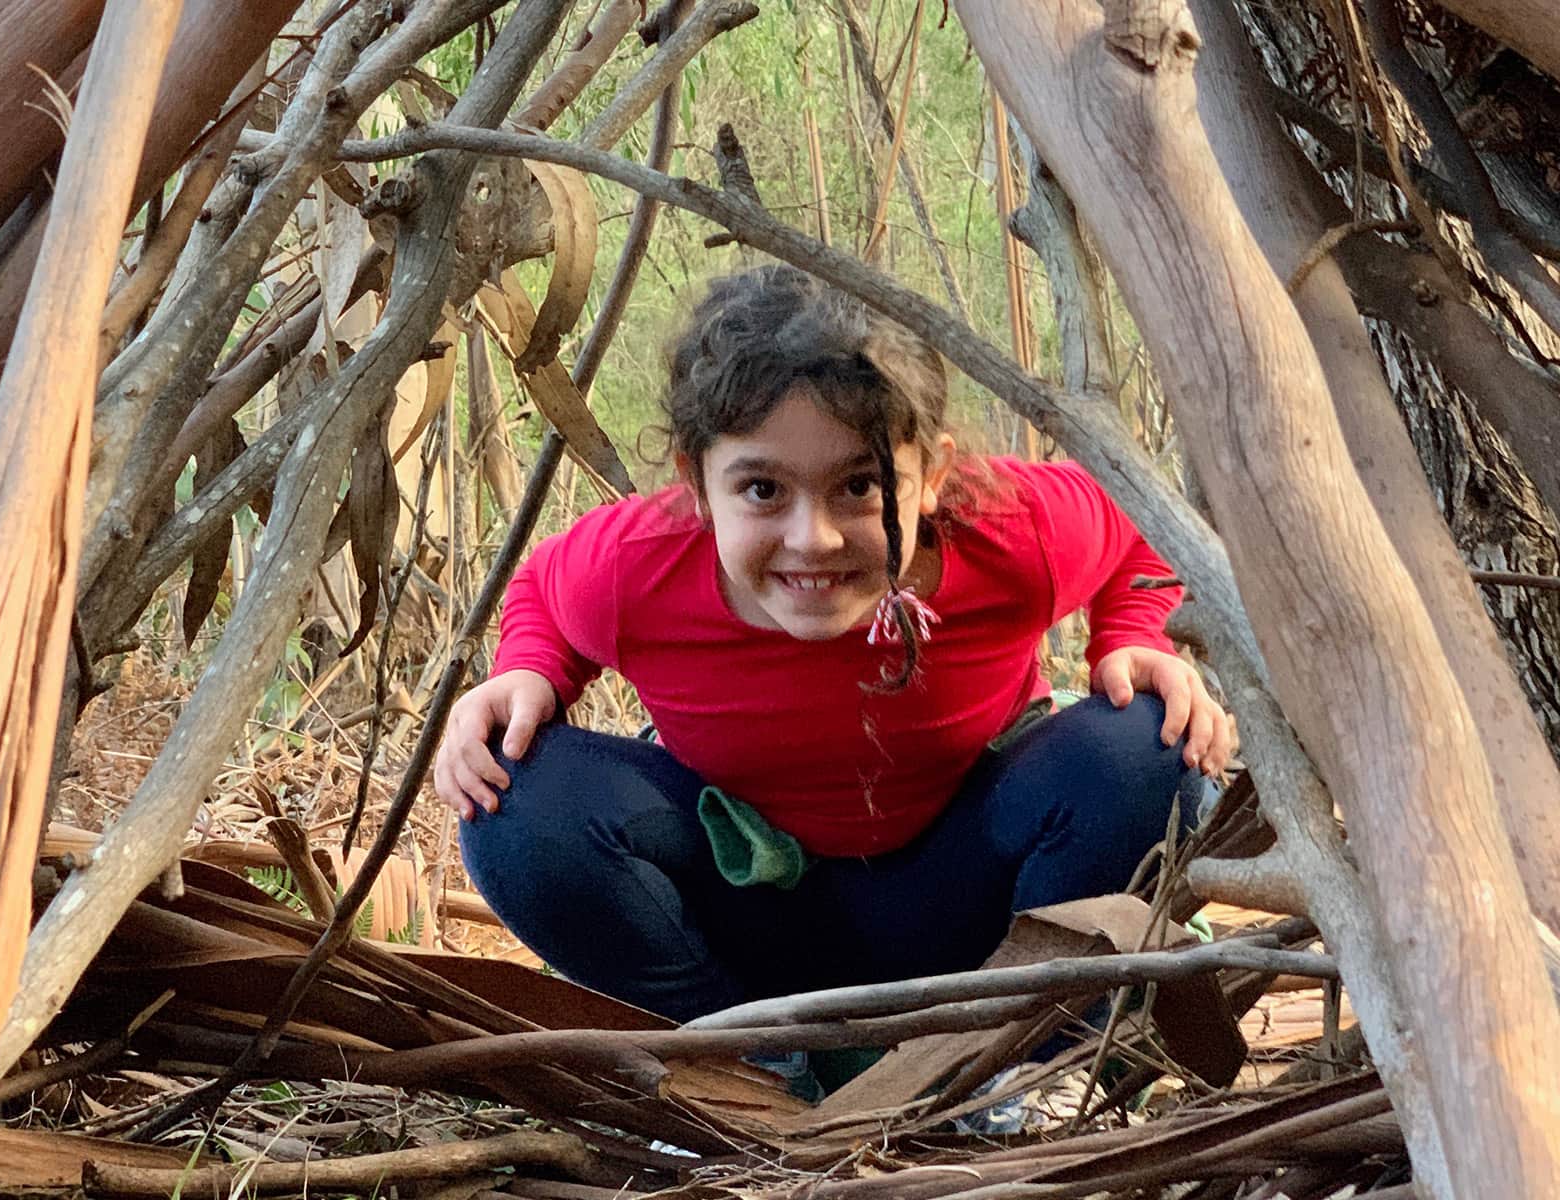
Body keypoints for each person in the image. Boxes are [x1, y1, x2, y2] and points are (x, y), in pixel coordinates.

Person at [433, 265, 1232, 1028]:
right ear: (696, 484)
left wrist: (1131, 640)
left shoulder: (1014, 533)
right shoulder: (633, 565)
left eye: (859, 486)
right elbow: (541, 585)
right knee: (516, 797)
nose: (810, 539)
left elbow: (1138, 531)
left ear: (931, 478)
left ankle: (1010, 1056)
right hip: (755, 907)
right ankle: (741, 1059)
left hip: (967, 901)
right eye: (761, 489)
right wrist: (532, 668)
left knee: (1143, 742)